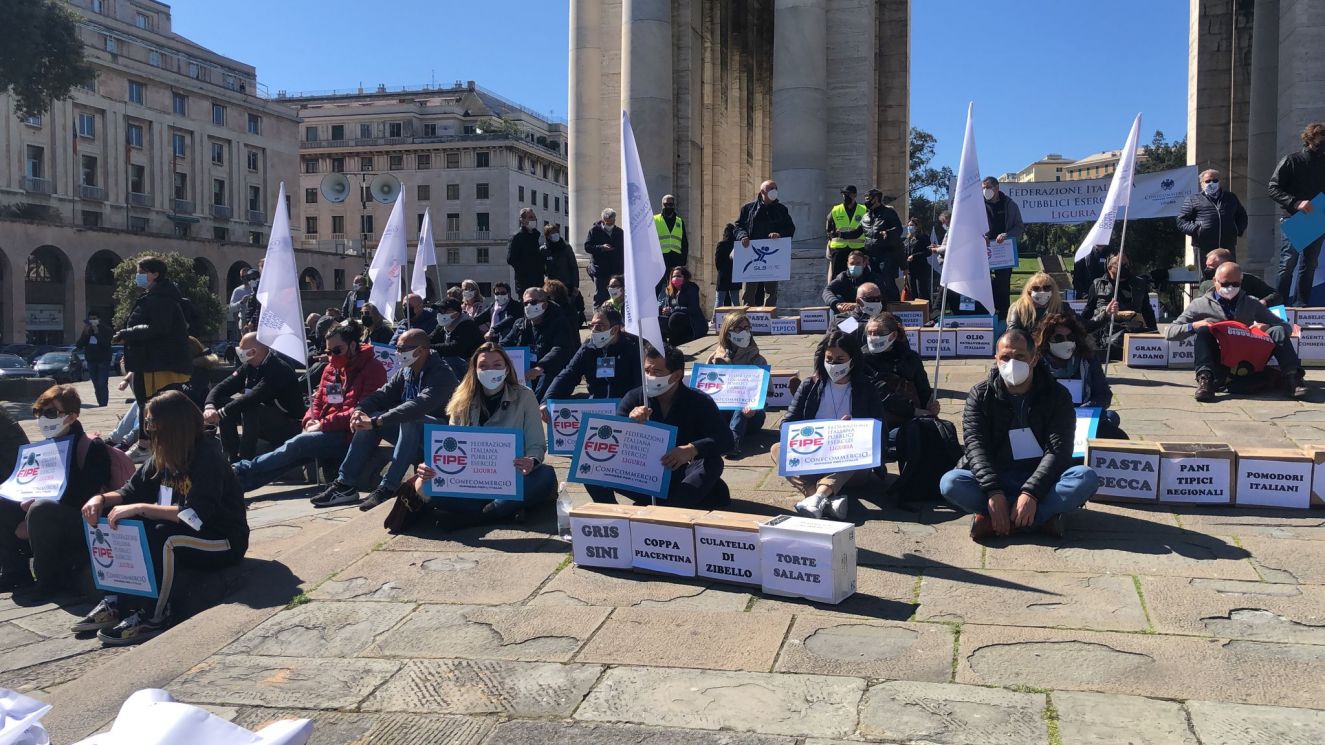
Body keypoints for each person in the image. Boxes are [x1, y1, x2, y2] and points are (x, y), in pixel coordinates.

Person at [77, 390, 248, 645]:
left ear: (172, 424)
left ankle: (154, 617)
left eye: (151, 422)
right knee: (110, 518)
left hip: (221, 539)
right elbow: (129, 491)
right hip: (191, 531)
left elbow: (195, 516)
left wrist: (140, 508)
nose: (147, 429)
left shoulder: (206, 456)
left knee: (162, 536)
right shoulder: (164, 454)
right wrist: (99, 499)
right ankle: (115, 600)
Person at [939, 329, 1100, 541]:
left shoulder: (1057, 395)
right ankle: (1040, 520)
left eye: (1020, 356)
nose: (1011, 363)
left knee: (1085, 478)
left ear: (1034, 359)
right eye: (1005, 357)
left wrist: (1031, 493)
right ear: (996, 359)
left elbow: (1058, 451)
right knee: (950, 482)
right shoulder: (980, 395)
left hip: (1044, 480)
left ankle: (1002, 522)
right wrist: (993, 491)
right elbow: (976, 447)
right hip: (998, 476)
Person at [231, 321, 387, 493]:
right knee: (292, 457)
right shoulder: (330, 368)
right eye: (328, 352)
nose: (332, 356)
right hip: (324, 429)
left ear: (353, 345)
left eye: (337, 351)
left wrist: (322, 424)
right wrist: (309, 420)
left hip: (350, 435)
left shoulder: (374, 369)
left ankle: (241, 470)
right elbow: (317, 402)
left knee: (298, 444)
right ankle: (238, 485)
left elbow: (361, 410)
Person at [311, 328, 458, 510]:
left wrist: (377, 421)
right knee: (371, 417)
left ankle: (388, 488)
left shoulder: (442, 374)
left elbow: (418, 406)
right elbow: (382, 394)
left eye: (403, 349)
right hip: (411, 434)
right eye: (397, 348)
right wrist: (360, 410)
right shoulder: (406, 371)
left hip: (442, 439)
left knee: (410, 418)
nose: (398, 353)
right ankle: (345, 485)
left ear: (421, 350)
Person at [410, 343, 557, 522]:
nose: (490, 370)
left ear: (506, 368)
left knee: (546, 475)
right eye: (483, 366)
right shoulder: (461, 399)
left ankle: (473, 517)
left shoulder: (525, 396)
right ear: (474, 369)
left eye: (497, 365)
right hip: (469, 481)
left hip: (510, 478)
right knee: (421, 485)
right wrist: (429, 465)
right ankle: (500, 512)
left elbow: (536, 444)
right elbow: (449, 445)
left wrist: (531, 461)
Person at [587, 345, 733, 508]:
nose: (649, 377)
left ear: (676, 375)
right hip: (641, 475)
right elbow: (612, 443)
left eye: (656, 372)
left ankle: (669, 513)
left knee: (713, 462)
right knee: (588, 461)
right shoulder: (634, 397)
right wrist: (628, 423)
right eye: (646, 371)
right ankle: (612, 514)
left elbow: (726, 440)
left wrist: (691, 449)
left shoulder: (699, 401)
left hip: (682, 475)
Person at [0, 386, 107, 597]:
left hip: (85, 519)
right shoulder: (46, 447)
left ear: (72, 416)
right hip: (49, 511)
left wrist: (36, 507)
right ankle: (15, 572)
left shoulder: (92, 446)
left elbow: (86, 494)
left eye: (50, 413)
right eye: (38, 413)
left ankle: (48, 581)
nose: (42, 419)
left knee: (40, 509)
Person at [778, 330, 892, 520]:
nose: (833, 364)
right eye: (829, 359)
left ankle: (817, 497)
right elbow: (787, 424)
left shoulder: (866, 388)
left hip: (850, 465)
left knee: (855, 456)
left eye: (840, 359)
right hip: (813, 458)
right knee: (778, 449)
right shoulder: (810, 385)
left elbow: (880, 430)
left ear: (853, 360)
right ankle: (824, 500)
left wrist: (854, 429)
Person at [1166, 262, 1304, 402]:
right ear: (1215, 281)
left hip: (1247, 357)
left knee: (1277, 330)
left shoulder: (1251, 303)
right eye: (1225, 284)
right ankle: (1205, 380)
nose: (1230, 288)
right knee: (1203, 331)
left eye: (1235, 284)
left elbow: (1285, 326)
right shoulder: (1199, 304)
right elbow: (1170, 332)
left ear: (1241, 282)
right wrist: (1193, 325)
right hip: (1219, 359)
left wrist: (1266, 326)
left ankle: (1293, 379)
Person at [114, 256, 192, 444]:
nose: (137, 276)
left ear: (155, 274)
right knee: (146, 405)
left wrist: (127, 333)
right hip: (149, 361)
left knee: (151, 406)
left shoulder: (161, 298)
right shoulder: (155, 296)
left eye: (142, 272)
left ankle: (147, 444)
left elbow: (158, 327)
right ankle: (146, 443)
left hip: (155, 362)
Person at [203, 333, 306, 462]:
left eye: (242, 349)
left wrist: (220, 414)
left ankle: (246, 459)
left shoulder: (278, 369)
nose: (239, 352)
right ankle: (231, 456)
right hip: (263, 423)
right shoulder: (249, 367)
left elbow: (254, 397)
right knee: (223, 402)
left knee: (251, 407)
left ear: (253, 351)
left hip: (288, 426)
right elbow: (221, 387)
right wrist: (210, 406)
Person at [1036, 313, 1125, 440]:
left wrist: (1086, 409)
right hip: (1050, 418)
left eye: (1070, 337)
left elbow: (1104, 395)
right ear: (1046, 340)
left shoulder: (1088, 360)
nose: (1066, 342)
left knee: (1111, 418)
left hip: (1082, 416)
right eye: (1059, 338)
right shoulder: (1037, 364)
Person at [1268, 122, 1325, 306]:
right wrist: (1296, 202)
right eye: (1319, 142)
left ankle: (1302, 305)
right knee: (1287, 264)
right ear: (1309, 140)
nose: (1322, 145)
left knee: (1309, 266)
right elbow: (1273, 188)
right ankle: (1280, 306)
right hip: (1294, 217)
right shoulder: (1291, 160)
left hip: (1317, 217)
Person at [545, 307, 642, 401]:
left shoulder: (632, 347)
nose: (593, 330)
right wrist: (547, 400)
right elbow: (569, 374)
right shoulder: (588, 348)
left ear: (615, 329)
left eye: (599, 326)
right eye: (592, 326)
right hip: (596, 405)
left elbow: (639, 384)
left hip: (625, 406)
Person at [500, 287, 580, 400]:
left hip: (550, 370)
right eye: (525, 303)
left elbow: (560, 348)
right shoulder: (520, 324)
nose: (528, 306)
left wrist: (541, 367)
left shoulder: (560, 323)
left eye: (533, 302)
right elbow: (506, 343)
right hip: (527, 370)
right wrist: (491, 349)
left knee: (540, 392)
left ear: (544, 304)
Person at [706, 311, 767, 457]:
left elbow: (763, 396)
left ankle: (733, 442)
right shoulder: (715, 359)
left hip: (751, 417)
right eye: (739, 329)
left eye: (747, 328)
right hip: (722, 414)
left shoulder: (758, 360)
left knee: (742, 402)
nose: (745, 332)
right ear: (728, 332)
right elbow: (707, 391)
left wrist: (754, 407)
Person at [861, 313, 937, 416]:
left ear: (893, 335)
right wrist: (913, 411)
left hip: (912, 417)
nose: (873, 337)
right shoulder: (862, 359)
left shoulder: (910, 357)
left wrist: (930, 406)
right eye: (870, 333)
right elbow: (879, 393)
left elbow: (923, 388)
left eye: (879, 333)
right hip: (880, 416)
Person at [734, 179, 796, 306]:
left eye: (775, 188)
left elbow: (790, 228)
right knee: (749, 291)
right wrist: (743, 236)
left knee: (771, 291)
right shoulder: (748, 209)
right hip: (751, 254)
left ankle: (769, 316)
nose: (774, 191)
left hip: (772, 255)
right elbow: (738, 227)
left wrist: (779, 234)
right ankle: (747, 317)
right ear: (762, 192)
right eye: (770, 189)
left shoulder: (781, 209)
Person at [1083, 255, 1157, 359]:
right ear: (1109, 267)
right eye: (1122, 265)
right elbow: (1089, 309)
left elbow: (1147, 310)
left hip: (1133, 334)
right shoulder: (1097, 284)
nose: (1126, 267)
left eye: (1127, 264)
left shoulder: (1139, 283)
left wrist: (1154, 333)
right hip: (1106, 335)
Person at [1177, 169, 1248, 267]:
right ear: (1201, 183)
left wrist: (1237, 230)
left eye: (1215, 181)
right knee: (1207, 276)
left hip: (1227, 245)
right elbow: (1181, 221)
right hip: (1203, 246)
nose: (1211, 183)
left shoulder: (1230, 197)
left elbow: (1242, 216)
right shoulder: (1193, 199)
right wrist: (1197, 230)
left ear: (1219, 182)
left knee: (1229, 273)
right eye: (1207, 181)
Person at [982, 177, 1025, 317]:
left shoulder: (1010, 204)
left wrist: (1007, 235)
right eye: (983, 188)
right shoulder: (979, 205)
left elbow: (1019, 227)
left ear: (997, 187)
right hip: (984, 251)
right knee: (984, 284)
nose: (985, 191)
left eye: (988, 187)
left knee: (1003, 285)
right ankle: (986, 313)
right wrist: (981, 236)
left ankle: (1004, 315)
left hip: (1003, 251)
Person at [1197, 248, 1280, 306]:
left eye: (1236, 284)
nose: (1208, 270)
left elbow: (1276, 296)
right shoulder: (1206, 285)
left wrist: (1262, 303)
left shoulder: (1249, 280)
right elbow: (1198, 307)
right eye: (1208, 266)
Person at [1007, 272, 1075, 338]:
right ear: (1029, 291)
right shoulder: (1018, 308)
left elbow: (1079, 325)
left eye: (1046, 288)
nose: (1042, 291)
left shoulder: (1061, 306)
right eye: (1036, 288)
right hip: (1027, 346)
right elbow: (1012, 334)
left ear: (1053, 290)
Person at [430, 297, 484, 378]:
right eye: (439, 311)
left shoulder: (467, 325)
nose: (440, 314)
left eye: (443, 310)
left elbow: (455, 348)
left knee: (449, 360)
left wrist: (427, 348)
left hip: (473, 365)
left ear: (456, 313)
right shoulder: (442, 326)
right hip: (459, 364)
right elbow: (431, 338)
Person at [824, 250, 890, 313]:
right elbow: (827, 290)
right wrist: (836, 304)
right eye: (851, 264)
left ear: (864, 264)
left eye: (858, 263)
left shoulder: (874, 278)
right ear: (847, 264)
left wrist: (858, 305)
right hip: (846, 312)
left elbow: (882, 300)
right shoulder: (843, 277)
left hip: (869, 313)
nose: (854, 266)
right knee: (836, 300)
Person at [542, 224, 583, 323]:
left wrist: (575, 286)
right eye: (552, 233)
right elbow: (541, 269)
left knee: (569, 313)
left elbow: (573, 267)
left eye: (556, 232)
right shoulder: (543, 250)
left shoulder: (566, 248)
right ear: (547, 236)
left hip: (567, 286)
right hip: (551, 288)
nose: (555, 235)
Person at [860, 188, 904, 282]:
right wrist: (840, 234)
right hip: (871, 256)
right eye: (865, 198)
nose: (866, 201)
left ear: (876, 199)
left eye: (868, 198)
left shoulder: (889, 212)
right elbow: (856, 231)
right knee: (875, 284)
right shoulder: (865, 216)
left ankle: (892, 297)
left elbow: (899, 229)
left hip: (887, 255)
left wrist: (888, 232)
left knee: (887, 283)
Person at [825, 185, 868, 278]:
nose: (845, 196)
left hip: (857, 249)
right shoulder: (836, 209)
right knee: (838, 277)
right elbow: (829, 228)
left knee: (857, 276)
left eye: (848, 194)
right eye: (844, 194)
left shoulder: (863, 210)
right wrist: (831, 238)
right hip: (839, 249)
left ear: (855, 195)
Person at [585, 208, 624, 304]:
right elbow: (588, 247)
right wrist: (601, 248)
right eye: (608, 223)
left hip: (616, 270)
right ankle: (599, 316)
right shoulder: (594, 231)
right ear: (603, 221)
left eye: (612, 222)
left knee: (617, 295)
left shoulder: (619, 232)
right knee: (601, 295)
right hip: (600, 270)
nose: (610, 225)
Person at [659, 266, 707, 346]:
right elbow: (667, 307)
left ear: (685, 277)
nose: (675, 278)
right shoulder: (669, 290)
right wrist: (664, 310)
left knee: (675, 316)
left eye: (678, 276)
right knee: (659, 320)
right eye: (673, 276)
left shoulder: (691, 288)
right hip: (674, 321)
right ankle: (664, 346)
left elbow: (693, 309)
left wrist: (673, 310)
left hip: (693, 323)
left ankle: (674, 343)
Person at [75, 311, 113, 407]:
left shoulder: (106, 329)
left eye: (94, 318)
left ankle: (103, 403)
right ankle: (100, 402)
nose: (92, 321)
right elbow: (79, 345)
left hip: (103, 360)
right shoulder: (88, 330)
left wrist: (97, 333)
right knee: (96, 384)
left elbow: (106, 344)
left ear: (99, 319)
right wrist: (85, 333)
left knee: (102, 383)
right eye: (90, 319)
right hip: (91, 360)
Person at [507, 207, 544, 295]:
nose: (534, 220)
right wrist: (526, 269)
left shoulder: (536, 236)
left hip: (538, 282)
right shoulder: (517, 237)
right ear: (522, 220)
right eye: (530, 217)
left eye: (534, 217)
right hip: (524, 284)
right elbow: (511, 259)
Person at [656, 194, 689, 276]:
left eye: (670, 204)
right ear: (662, 205)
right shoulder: (654, 220)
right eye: (665, 204)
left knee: (673, 285)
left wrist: (683, 259)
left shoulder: (680, 221)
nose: (668, 207)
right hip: (660, 259)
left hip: (676, 259)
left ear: (674, 206)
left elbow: (684, 242)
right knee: (660, 286)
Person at [903, 216, 931, 301]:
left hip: (921, 269)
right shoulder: (907, 240)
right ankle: (916, 311)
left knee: (922, 291)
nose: (909, 227)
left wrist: (914, 256)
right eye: (908, 225)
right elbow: (904, 253)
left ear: (917, 226)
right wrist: (905, 268)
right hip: (911, 270)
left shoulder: (923, 237)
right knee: (913, 292)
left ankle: (927, 311)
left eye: (911, 225)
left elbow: (928, 252)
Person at [713, 223, 741, 308]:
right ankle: (739, 318)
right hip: (735, 275)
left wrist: (721, 270)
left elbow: (717, 261)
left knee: (719, 300)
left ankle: (715, 319)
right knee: (735, 301)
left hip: (723, 275)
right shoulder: (737, 245)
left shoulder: (721, 244)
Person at [227, 268, 258, 340]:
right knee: (247, 342)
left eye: (246, 276)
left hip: (256, 318)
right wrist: (241, 302)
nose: (245, 279)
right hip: (244, 320)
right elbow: (231, 308)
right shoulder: (238, 291)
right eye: (242, 277)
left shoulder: (257, 288)